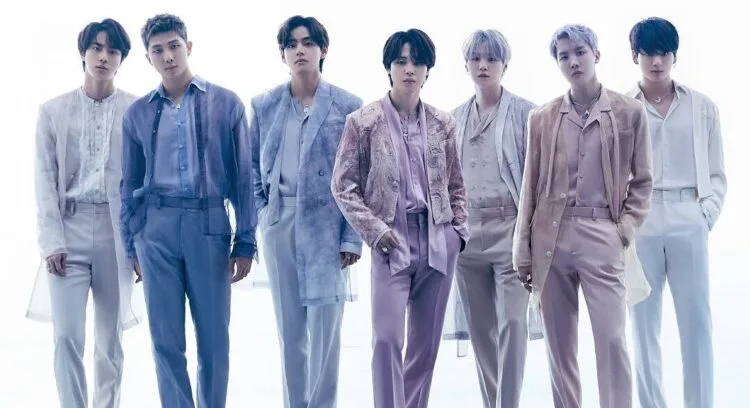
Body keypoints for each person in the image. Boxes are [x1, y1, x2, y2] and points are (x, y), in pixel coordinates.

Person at [513, 24, 653, 408]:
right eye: (564, 56)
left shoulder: (629, 112)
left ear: (596, 54)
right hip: (551, 239)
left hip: (603, 234)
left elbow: (643, 181)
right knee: (559, 348)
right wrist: (522, 249)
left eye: (579, 52)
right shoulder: (541, 118)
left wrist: (624, 229)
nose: (573, 61)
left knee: (612, 339)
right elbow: (529, 187)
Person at [120, 13, 256, 408]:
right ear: (148, 58)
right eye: (157, 50)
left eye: (174, 46)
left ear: (188, 47)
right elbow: (128, 184)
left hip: (209, 224)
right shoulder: (137, 114)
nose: (168, 56)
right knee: (165, 340)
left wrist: (246, 241)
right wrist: (132, 244)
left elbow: (243, 179)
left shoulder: (227, 104)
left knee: (214, 338)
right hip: (155, 230)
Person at [331, 28, 468, 408]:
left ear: (428, 70)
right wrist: (375, 231)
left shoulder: (443, 123)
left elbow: (457, 185)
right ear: (388, 67)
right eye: (401, 61)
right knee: (387, 339)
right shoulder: (363, 121)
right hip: (390, 244)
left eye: (417, 62)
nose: (409, 69)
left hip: (438, 243)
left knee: (425, 350)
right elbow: (343, 186)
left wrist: (458, 234)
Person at [249, 15, 363, 408]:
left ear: (322, 50)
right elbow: (251, 169)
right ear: (282, 53)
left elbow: (358, 176)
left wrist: (351, 237)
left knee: (326, 331)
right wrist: (264, 214)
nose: (300, 50)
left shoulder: (348, 106)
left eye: (308, 42)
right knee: (290, 332)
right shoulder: (264, 105)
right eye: (292, 44)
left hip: (327, 227)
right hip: (280, 223)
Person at [27, 17, 142, 408]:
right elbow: (44, 181)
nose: (104, 56)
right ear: (83, 52)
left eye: (113, 50)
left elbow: (143, 184)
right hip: (68, 230)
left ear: (122, 59)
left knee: (110, 342)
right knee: (66, 337)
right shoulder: (52, 111)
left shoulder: (137, 111)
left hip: (116, 231)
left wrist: (138, 245)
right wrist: (52, 241)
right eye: (96, 47)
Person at [627, 17, 726, 408]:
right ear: (635, 55)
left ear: (675, 56)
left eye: (664, 53)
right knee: (642, 326)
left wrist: (706, 215)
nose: (657, 61)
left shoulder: (702, 107)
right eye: (649, 53)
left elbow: (717, 171)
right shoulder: (622, 109)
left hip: (689, 216)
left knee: (697, 324)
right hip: (642, 219)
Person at [448, 28, 535, 408]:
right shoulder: (452, 120)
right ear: (466, 65)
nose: (483, 65)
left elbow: (538, 181)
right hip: (467, 237)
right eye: (476, 58)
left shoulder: (527, 114)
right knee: (481, 332)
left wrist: (530, 236)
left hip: (510, 231)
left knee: (514, 324)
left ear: (505, 65)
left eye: (492, 58)